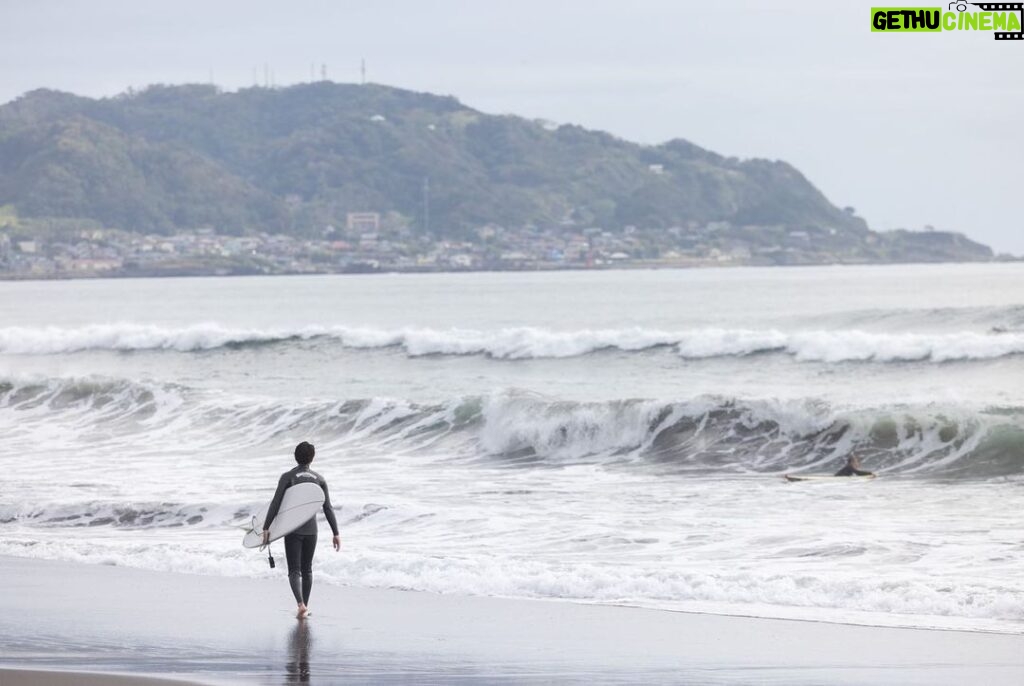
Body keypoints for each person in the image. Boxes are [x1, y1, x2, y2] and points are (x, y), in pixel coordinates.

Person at [262, 441, 340, 619]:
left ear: (295, 456)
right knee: (307, 570)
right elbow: (328, 507)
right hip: (312, 530)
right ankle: (306, 605)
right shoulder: (319, 479)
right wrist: (336, 533)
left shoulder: (288, 477)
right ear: (312, 458)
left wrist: (266, 527)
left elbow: (276, 503)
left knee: (294, 570)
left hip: (293, 530)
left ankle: (300, 604)